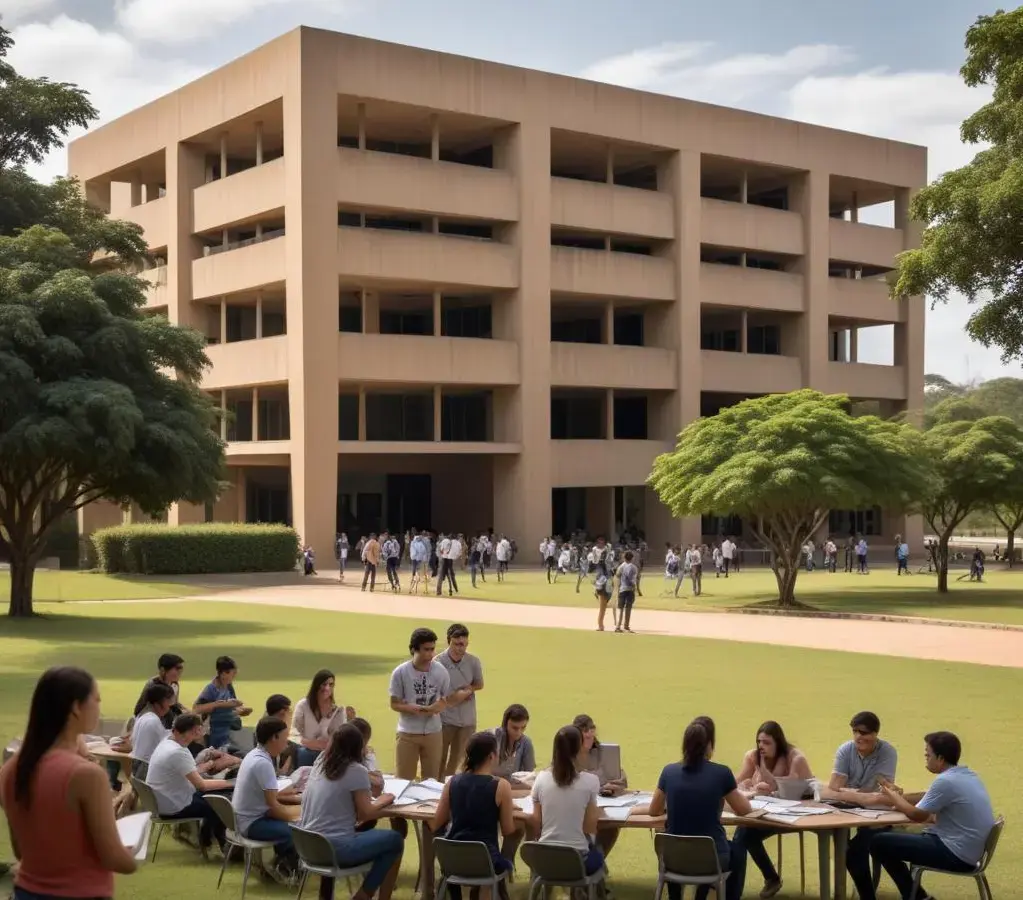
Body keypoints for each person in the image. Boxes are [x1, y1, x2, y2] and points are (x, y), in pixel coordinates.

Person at [0, 667, 138, 898]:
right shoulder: (86, 775)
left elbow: (22, 851)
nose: (99, 708)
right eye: (96, 700)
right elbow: (114, 858)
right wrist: (132, 855)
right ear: (76, 707)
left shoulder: (9, 771)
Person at [633, 717, 751, 900]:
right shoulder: (722, 773)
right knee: (737, 851)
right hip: (710, 859)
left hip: (673, 859)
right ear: (709, 745)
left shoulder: (668, 772)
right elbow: (744, 810)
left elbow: (654, 810)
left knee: (684, 846)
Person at [869, 731, 995, 900]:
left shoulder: (945, 782)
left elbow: (917, 815)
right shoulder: (967, 775)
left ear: (941, 758)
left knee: (878, 842)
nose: (926, 758)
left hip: (955, 854)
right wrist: (897, 798)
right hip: (970, 852)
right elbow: (926, 798)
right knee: (890, 838)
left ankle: (916, 896)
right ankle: (916, 895)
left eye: (928, 755)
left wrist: (892, 796)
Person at [298, 724, 403, 900]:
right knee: (395, 839)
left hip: (308, 846)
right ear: (358, 747)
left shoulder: (320, 762)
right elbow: (365, 814)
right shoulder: (356, 770)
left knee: (381, 839)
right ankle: (365, 894)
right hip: (336, 848)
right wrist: (383, 802)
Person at [431, 731, 517, 897]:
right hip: (485, 862)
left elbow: (436, 823)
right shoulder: (501, 786)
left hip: (452, 860)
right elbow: (508, 830)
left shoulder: (452, 782)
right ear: (492, 756)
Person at [733, 721, 813, 898]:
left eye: (767, 742)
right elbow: (735, 784)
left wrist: (768, 787)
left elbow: (791, 791)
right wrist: (749, 788)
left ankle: (734, 889)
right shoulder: (753, 757)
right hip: (765, 813)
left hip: (796, 813)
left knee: (744, 834)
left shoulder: (795, 758)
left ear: (778, 742)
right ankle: (766, 879)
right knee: (745, 833)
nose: (761, 746)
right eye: (759, 741)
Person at [825, 711, 899, 898]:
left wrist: (847, 792)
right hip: (847, 809)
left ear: (875, 734)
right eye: (855, 731)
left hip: (877, 813)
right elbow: (834, 787)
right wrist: (861, 796)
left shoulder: (887, 752)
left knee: (855, 850)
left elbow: (883, 789)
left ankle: (866, 895)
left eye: (864, 733)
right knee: (842, 842)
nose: (858, 736)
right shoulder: (845, 749)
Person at [389, 627, 471, 780]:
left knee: (431, 781)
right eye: (426, 650)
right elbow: (394, 703)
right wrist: (413, 708)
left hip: (433, 733)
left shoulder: (440, 672)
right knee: (403, 780)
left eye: (432, 649)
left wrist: (436, 708)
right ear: (414, 649)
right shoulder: (400, 673)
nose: (430, 654)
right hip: (408, 733)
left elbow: (444, 701)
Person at [146, 713, 232, 852]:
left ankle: (207, 838)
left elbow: (189, 773)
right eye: (201, 728)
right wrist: (231, 783)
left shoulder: (167, 743)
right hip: (174, 804)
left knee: (216, 795)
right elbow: (202, 785)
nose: (203, 731)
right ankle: (219, 843)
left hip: (164, 799)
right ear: (195, 730)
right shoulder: (178, 752)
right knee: (221, 803)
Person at [232, 716, 300, 884]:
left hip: (244, 818)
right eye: (285, 738)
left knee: (291, 825)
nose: (287, 743)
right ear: (273, 738)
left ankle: (282, 864)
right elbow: (274, 806)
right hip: (251, 822)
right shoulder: (263, 763)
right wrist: (296, 819)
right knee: (297, 832)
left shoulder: (254, 755)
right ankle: (286, 869)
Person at [530, 725, 604, 876]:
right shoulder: (590, 782)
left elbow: (536, 826)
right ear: (579, 748)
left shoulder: (541, 779)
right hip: (577, 861)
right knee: (598, 853)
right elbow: (589, 828)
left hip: (545, 860)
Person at [436, 624, 485, 779]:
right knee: (438, 758)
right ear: (448, 642)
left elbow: (479, 684)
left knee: (459, 761)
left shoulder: (473, 662)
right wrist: (455, 696)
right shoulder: (438, 663)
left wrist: (468, 690)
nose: (460, 648)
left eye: (463, 644)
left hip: (466, 720)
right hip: (444, 719)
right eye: (456, 644)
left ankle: (452, 788)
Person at [293, 669, 355, 769]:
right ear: (316, 685)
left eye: (331, 685)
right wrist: (308, 743)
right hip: (306, 750)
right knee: (304, 753)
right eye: (324, 684)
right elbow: (294, 731)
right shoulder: (303, 705)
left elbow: (338, 736)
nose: (327, 688)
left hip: (328, 752)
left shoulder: (338, 710)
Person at [193, 655, 252, 753]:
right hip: (215, 734)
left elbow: (232, 707)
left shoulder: (228, 686)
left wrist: (240, 711)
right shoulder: (211, 689)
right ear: (223, 673)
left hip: (229, 730)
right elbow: (196, 709)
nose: (234, 677)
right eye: (233, 674)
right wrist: (218, 704)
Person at [130, 682, 175, 773]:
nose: (169, 706)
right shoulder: (152, 720)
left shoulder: (143, 717)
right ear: (158, 702)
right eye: (168, 701)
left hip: (137, 767)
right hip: (146, 769)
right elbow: (166, 745)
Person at [134, 653, 186, 728]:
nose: (180, 671)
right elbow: (141, 708)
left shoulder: (174, 685)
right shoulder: (153, 685)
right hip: (151, 722)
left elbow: (174, 703)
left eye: (181, 668)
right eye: (177, 668)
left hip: (168, 722)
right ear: (163, 670)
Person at [491, 704, 536, 782]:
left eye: (523, 728)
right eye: (515, 728)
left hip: (513, 786)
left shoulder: (526, 743)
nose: (519, 732)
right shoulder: (492, 738)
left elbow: (529, 776)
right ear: (505, 724)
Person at [266, 694, 299, 775]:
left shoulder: (266, 722)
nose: (291, 712)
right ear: (282, 712)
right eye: (289, 709)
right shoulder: (273, 730)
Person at [615, 550, 639, 633]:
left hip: (622, 589)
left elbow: (617, 574)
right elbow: (636, 579)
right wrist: (637, 589)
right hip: (631, 589)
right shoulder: (634, 567)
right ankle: (626, 625)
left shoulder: (621, 566)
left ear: (624, 558)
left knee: (621, 608)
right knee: (628, 608)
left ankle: (618, 626)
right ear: (632, 558)